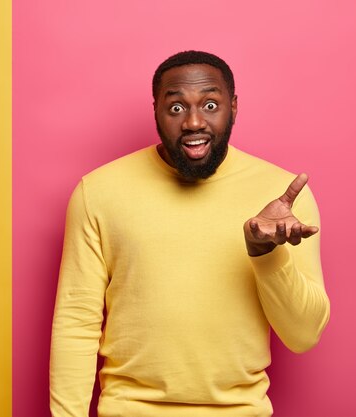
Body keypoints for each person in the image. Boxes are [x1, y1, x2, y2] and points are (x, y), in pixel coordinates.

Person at [49, 50, 330, 417]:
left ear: (234, 106)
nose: (194, 122)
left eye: (211, 104)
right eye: (177, 108)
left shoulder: (283, 197)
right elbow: (76, 322)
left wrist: (266, 255)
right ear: (156, 111)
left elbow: (304, 335)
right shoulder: (98, 192)